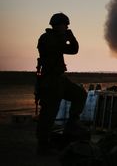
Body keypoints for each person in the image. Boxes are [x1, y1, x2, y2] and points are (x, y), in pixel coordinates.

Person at [35, 13, 87, 155]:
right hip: (50, 80)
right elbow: (59, 47)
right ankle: (43, 144)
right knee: (49, 113)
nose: (67, 27)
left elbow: (74, 50)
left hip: (60, 79)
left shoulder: (58, 38)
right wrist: (65, 37)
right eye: (65, 25)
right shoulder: (46, 38)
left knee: (80, 94)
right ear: (57, 25)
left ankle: (72, 123)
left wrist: (71, 36)